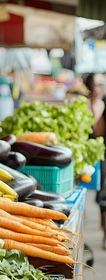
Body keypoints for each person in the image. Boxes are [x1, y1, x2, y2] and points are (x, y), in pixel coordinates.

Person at [84, 72, 106, 250]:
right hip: (91, 156)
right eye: (99, 84)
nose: (101, 87)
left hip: (99, 154)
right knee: (101, 195)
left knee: (103, 196)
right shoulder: (84, 105)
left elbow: (98, 131)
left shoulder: (104, 103)